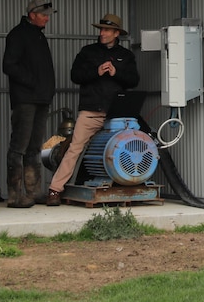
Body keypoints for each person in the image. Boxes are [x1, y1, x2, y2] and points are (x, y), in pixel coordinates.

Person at [46, 13, 140, 206]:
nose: (102, 33)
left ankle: (126, 186)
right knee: (75, 149)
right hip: (91, 111)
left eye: (107, 30)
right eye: (101, 29)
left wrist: (117, 73)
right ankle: (55, 190)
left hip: (117, 115)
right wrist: (96, 72)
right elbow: (75, 75)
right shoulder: (87, 52)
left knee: (124, 149)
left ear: (116, 33)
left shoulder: (126, 55)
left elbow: (134, 80)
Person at [2, 0, 57, 208]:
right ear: (32, 14)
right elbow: (9, 65)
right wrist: (33, 83)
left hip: (41, 99)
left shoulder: (38, 36)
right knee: (19, 147)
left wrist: (45, 90)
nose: (47, 18)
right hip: (25, 100)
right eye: (44, 15)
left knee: (35, 147)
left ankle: (33, 192)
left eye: (48, 15)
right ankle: (15, 196)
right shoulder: (18, 34)